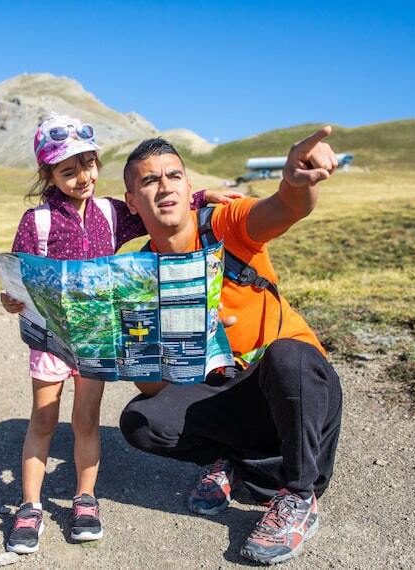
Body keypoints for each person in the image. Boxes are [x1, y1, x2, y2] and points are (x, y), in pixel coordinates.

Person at [0, 113, 240, 554]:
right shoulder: (36, 222)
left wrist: (203, 195)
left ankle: (84, 500)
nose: (82, 178)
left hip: (97, 340)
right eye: (68, 172)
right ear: (48, 174)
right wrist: (11, 300)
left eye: (88, 165)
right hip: (52, 340)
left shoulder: (112, 211)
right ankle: (30, 506)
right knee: (43, 420)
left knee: (86, 420)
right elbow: (19, 278)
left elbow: (150, 203)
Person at [118, 127, 343, 565]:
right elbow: (153, 390)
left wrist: (296, 185)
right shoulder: (139, 277)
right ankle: (231, 461)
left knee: (287, 354)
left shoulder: (224, 223)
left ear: (188, 188)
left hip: (296, 386)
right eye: (148, 180)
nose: (164, 186)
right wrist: (153, 348)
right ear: (132, 201)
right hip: (230, 394)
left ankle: (299, 496)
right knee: (140, 421)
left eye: (173, 176)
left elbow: (283, 209)